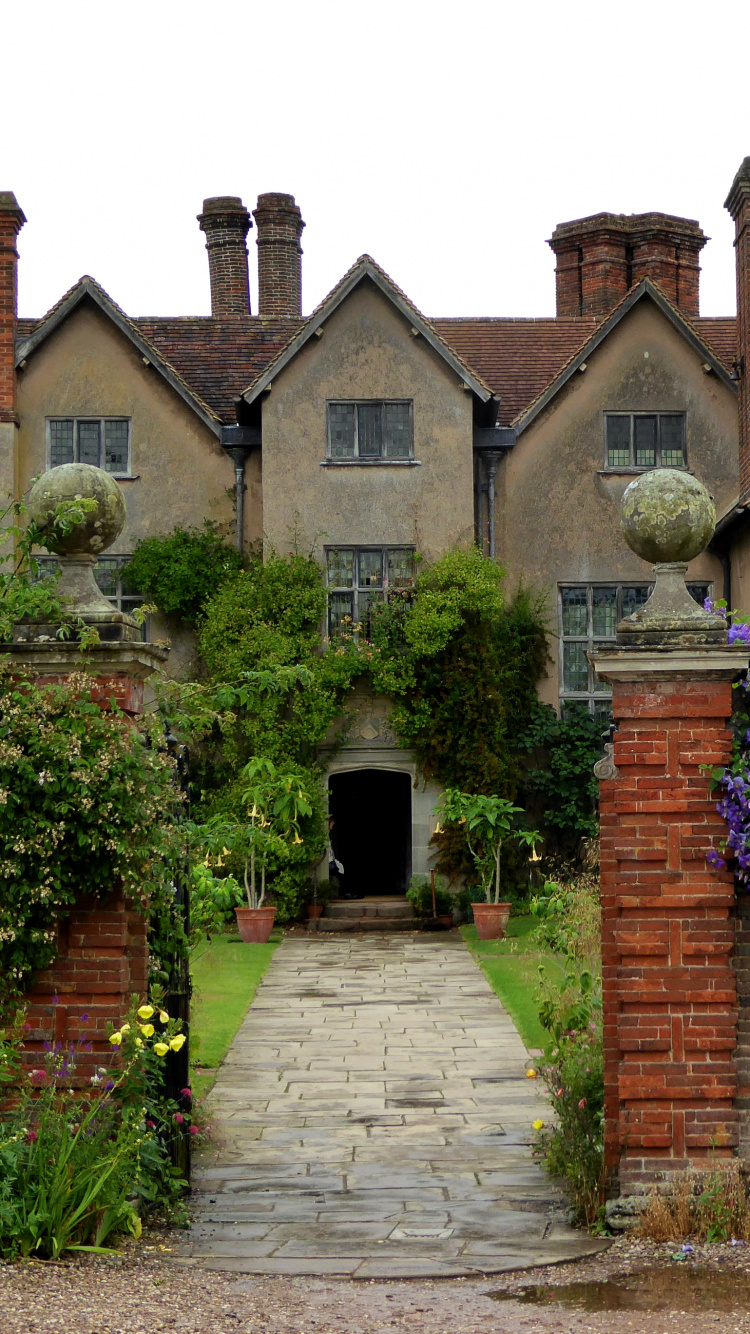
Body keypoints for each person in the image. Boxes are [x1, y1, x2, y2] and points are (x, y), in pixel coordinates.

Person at [327, 817, 351, 899]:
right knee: (337, 870)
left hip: (332, 860)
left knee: (340, 870)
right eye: (331, 824)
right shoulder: (325, 836)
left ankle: (342, 892)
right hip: (328, 862)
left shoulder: (330, 835)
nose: (332, 826)